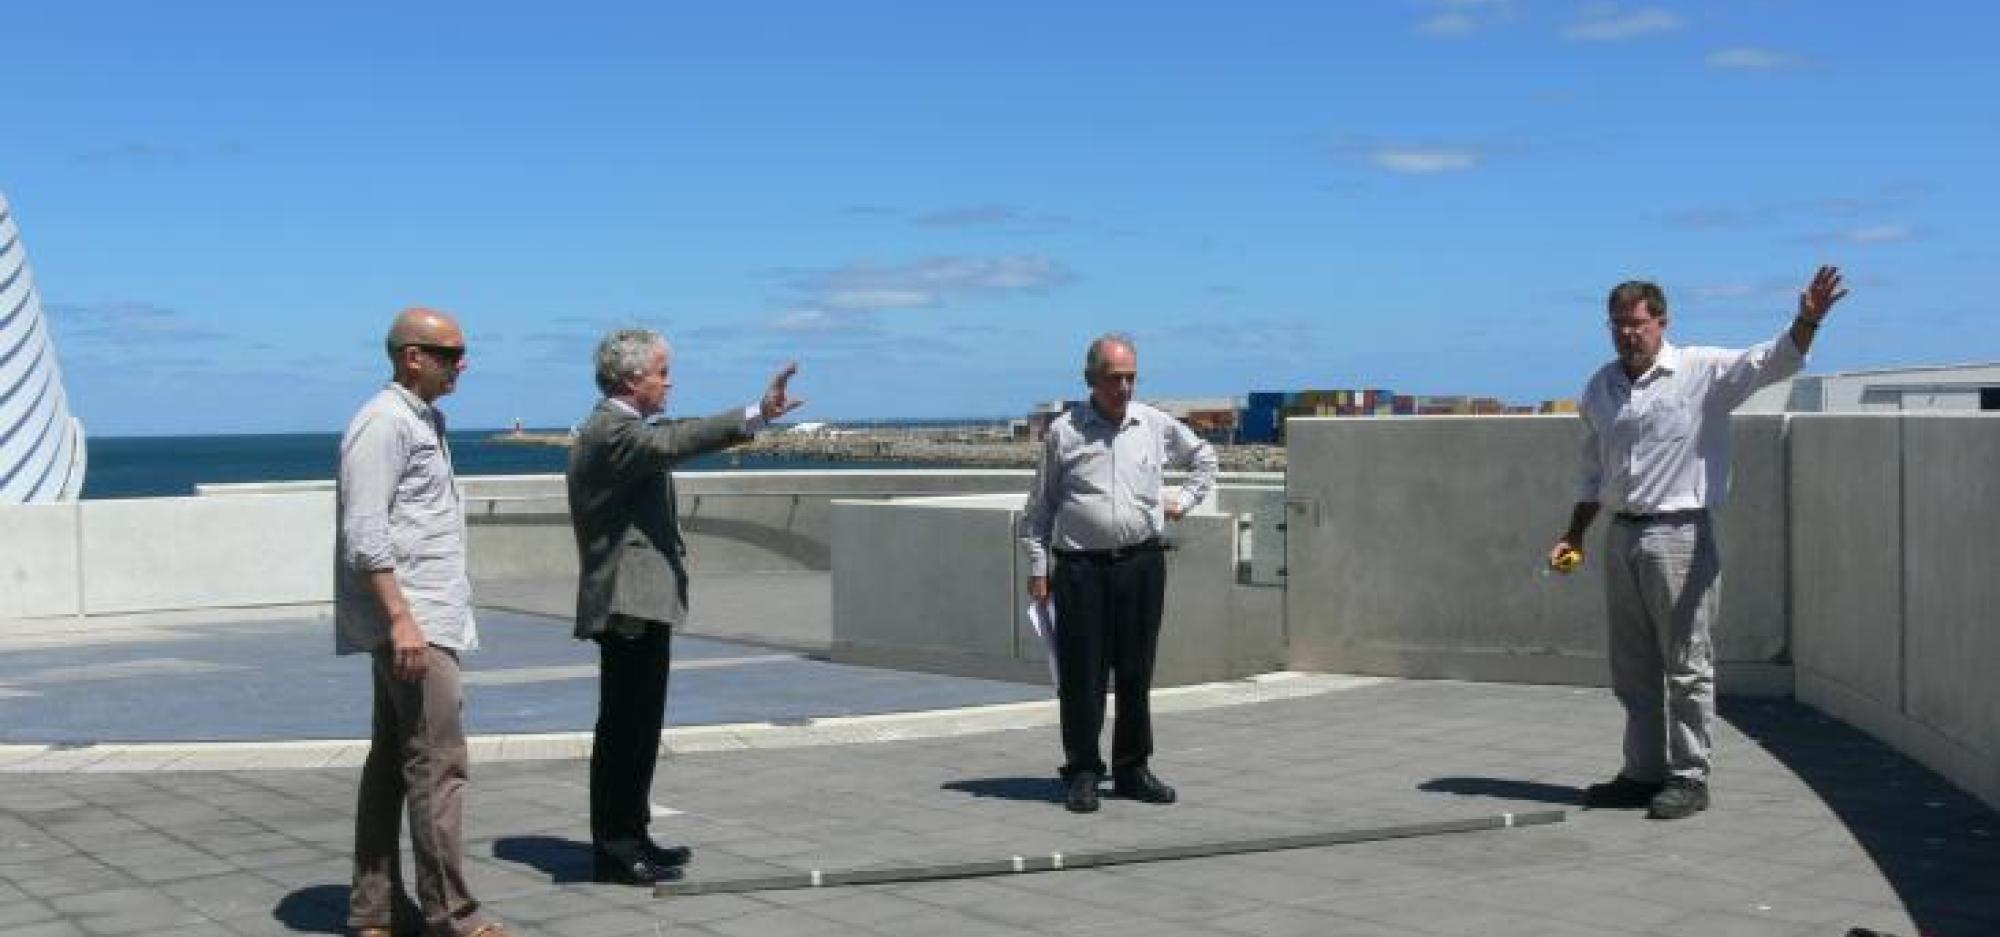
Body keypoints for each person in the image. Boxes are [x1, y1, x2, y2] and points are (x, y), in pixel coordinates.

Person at [1552, 266, 1848, 820]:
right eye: (1617, 325)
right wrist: (1574, 535)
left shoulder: (1700, 372)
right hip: (1623, 535)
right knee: (1633, 668)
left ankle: (1689, 776)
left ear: (1662, 322)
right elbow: (1593, 473)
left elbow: (1774, 360)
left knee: (1687, 663)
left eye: (1637, 323)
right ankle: (1642, 772)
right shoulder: (1600, 387)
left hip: (1680, 535)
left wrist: (1807, 319)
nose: (1626, 334)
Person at [565, 329, 802, 885]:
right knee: (625, 727)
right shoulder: (610, 431)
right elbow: (672, 442)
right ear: (631, 378)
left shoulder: (624, 429)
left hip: (643, 601)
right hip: (627, 601)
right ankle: (615, 846)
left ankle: (634, 833)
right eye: (662, 371)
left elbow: (668, 435)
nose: (670, 381)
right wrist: (755, 414)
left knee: (641, 726)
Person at [335, 308, 506, 937]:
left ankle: (374, 910)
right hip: (415, 623)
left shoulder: (422, 421)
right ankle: (452, 915)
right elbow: (366, 533)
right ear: (412, 356)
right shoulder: (382, 424)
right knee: (438, 766)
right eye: (451, 352)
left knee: (393, 765)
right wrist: (402, 621)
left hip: (424, 616)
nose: (463, 363)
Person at [1018, 332, 1220, 813]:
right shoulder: (1064, 433)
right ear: (1091, 380)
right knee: (1082, 676)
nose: (1124, 387)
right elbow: (1038, 511)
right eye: (1114, 378)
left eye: (1130, 377)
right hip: (1081, 569)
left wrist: (1185, 501)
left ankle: (1132, 768)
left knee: (1135, 672)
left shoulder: (1152, 424)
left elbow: (1204, 459)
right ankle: (1084, 769)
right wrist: (1037, 568)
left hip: (1141, 564)